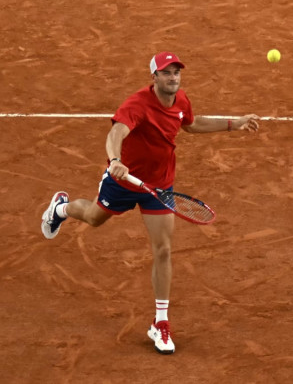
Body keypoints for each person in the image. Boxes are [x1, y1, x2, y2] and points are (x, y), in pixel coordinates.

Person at [40, 51, 260, 354]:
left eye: (176, 72)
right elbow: (116, 132)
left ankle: (161, 322)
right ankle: (60, 208)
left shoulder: (181, 100)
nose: (173, 78)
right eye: (166, 73)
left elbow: (192, 125)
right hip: (123, 181)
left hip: (159, 185)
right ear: (153, 77)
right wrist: (115, 160)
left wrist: (234, 124)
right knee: (92, 217)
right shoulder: (137, 105)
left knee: (164, 249)